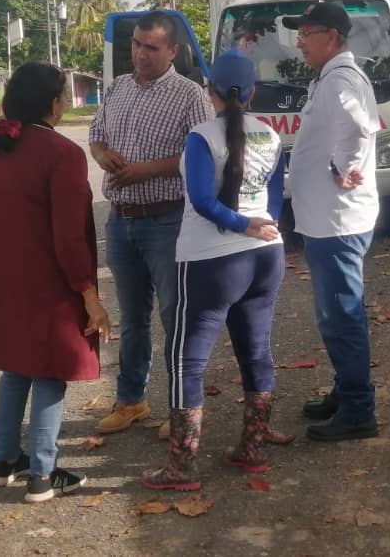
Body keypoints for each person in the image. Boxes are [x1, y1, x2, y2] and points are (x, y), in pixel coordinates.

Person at [142, 51, 286, 491]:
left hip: (211, 259)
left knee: (187, 359)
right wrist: (256, 226)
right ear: (254, 92)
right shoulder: (271, 135)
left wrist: (240, 224)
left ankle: (182, 467)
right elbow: (276, 201)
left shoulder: (201, 137)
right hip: (266, 255)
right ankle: (252, 450)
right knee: (256, 351)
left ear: (210, 92)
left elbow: (203, 203)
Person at [0, 62, 111, 502]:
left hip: (0, 276)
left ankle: (5, 460)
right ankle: (43, 475)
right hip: (47, 282)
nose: (67, 103)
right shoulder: (63, 155)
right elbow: (68, 237)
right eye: (65, 96)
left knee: (17, 367)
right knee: (51, 372)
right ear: (52, 104)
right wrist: (89, 295)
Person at [88, 11, 213, 436]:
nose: (140, 54)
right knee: (133, 319)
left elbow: (201, 159)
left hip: (167, 221)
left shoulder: (189, 96)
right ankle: (131, 401)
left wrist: (147, 171)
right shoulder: (119, 87)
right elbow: (96, 134)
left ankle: (182, 408)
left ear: (173, 51)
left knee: (175, 316)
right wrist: (103, 154)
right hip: (121, 222)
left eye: (151, 47)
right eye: (137, 45)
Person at [283, 0, 381, 442]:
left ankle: (359, 410)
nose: (299, 42)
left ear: (333, 37)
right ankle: (346, 392)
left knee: (341, 315)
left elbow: (360, 128)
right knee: (337, 315)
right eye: (299, 34)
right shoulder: (334, 76)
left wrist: (344, 168)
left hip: (337, 222)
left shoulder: (340, 78)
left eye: (307, 33)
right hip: (328, 220)